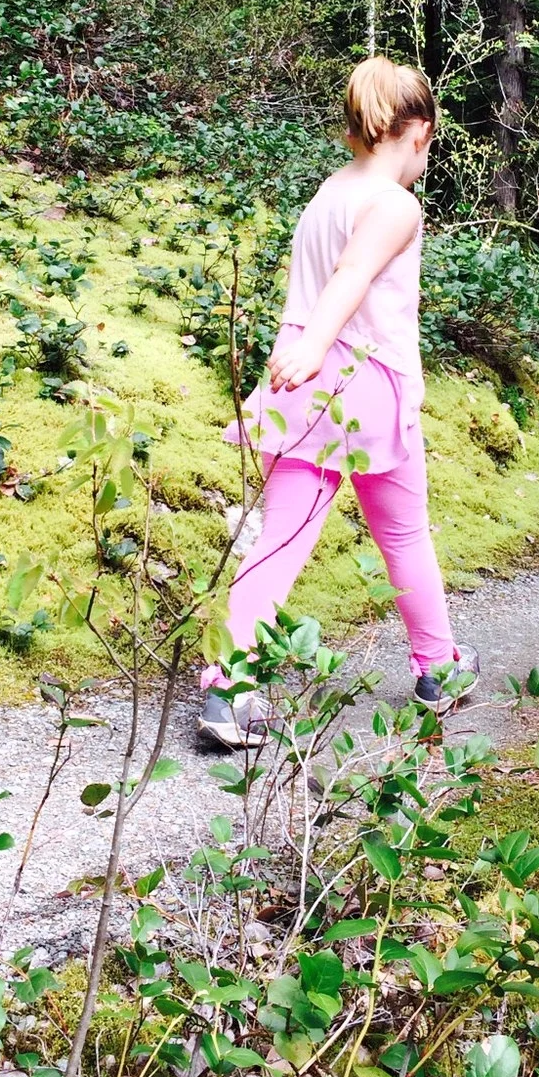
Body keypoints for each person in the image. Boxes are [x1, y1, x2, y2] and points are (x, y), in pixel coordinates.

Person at [199, 56, 480, 748]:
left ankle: (228, 689)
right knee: (404, 534)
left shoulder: (332, 190)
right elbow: (352, 275)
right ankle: (438, 667)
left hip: (300, 385)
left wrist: (304, 351)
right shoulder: (396, 203)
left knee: (281, 538)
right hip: (363, 380)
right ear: (419, 132)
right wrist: (318, 345)